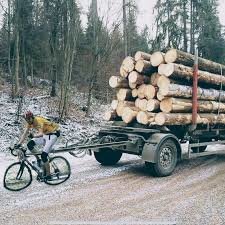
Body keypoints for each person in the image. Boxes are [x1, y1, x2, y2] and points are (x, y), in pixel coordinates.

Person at [16, 111, 60, 180]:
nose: (27, 121)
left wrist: (33, 135)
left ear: (31, 117)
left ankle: (48, 175)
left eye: (28, 119)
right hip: (46, 135)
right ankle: (38, 159)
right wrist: (19, 144)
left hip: (53, 134)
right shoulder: (30, 122)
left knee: (44, 155)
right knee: (30, 144)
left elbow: (41, 133)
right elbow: (25, 134)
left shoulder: (38, 121)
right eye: (26, 120)